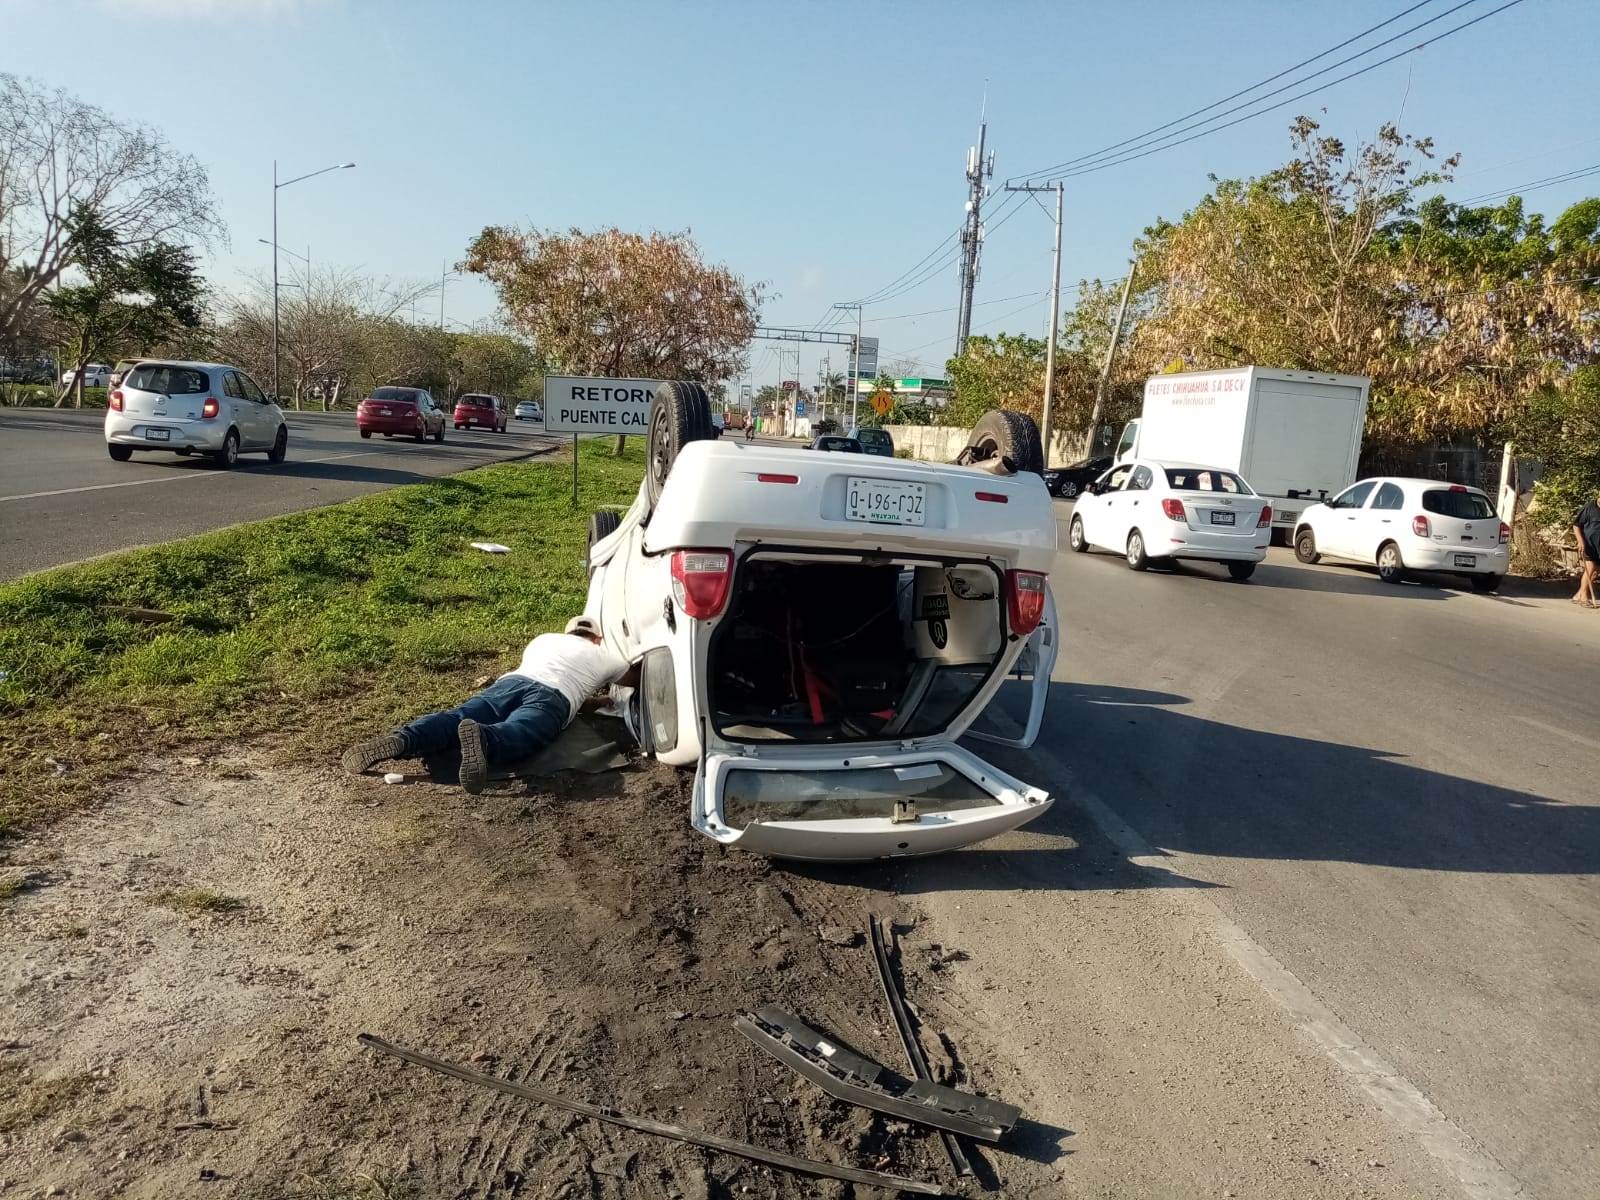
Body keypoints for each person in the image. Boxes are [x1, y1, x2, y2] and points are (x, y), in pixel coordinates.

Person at [341, 615, 636, 792]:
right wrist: (603, 696)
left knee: (458, 715)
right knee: (522, 731)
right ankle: (483, 738)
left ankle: (403, 739)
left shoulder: (544, 640)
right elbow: (634, 678)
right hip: (552, 697)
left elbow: (560, 675)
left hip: (511, 683)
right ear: (596, 638)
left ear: (568, 631)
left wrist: (593, 700)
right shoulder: (604, 655)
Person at [1574, 490, 1600, 609]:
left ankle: (1578, 595)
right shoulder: (1589, 508)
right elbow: (1576, 525)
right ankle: (1584, 597)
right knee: (1590, 569)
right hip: (1589, 545)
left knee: (1595, 572)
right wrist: (1580, 541)